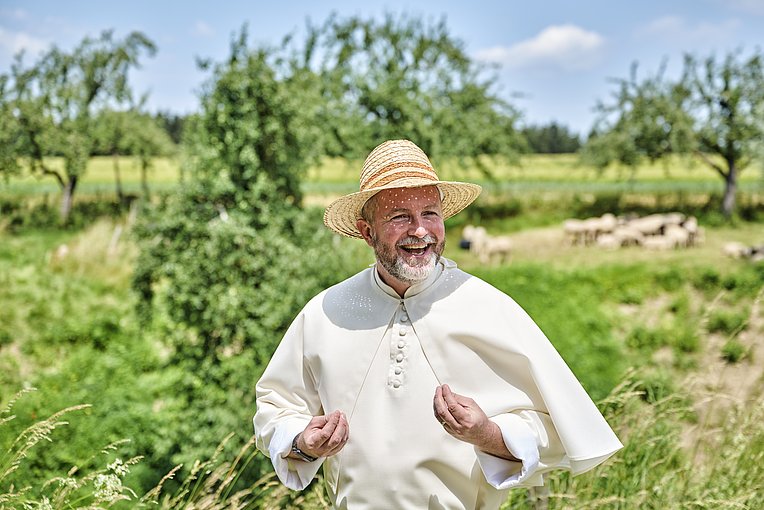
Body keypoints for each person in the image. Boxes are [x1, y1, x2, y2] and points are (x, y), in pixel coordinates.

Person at [254, 139, 622, 509]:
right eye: (400, 217)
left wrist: (488, 434)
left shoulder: (489, 308)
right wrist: (302, 442)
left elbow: (556, 429)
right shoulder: (325, 311)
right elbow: (275, 408)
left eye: (430, 213)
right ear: (367, 233)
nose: (420, 230)